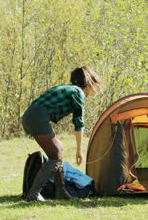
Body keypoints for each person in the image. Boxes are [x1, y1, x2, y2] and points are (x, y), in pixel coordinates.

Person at [21, 66, 103, 202]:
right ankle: (34, 194)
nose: (93, 92)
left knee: (58, 149)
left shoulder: (69, 88)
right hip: (37, 116)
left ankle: (61, 191)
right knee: (56, 155)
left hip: (31, 115)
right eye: (93, 87)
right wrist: (79, 151)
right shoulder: (78, 93)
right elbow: (79, 123)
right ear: (88, 84)